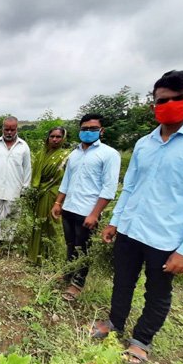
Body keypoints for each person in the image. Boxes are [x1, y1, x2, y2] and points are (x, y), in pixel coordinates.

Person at [93, 70, 183, 364]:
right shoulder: (145, 143)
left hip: (167, 236)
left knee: (157, 291)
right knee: (122, 281)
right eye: (160, 100)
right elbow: (129, 187)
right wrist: (115, 221)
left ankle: (141, 340)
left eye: (176, 99)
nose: (167, 104)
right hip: (131, 229)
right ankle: (115, 322)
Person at [51, 114, 120, 301]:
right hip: (69, 208)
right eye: (84, 129)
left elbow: (109, 188)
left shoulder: (109, 154)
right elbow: (66, 181)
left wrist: (95, 214)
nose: (88, 132)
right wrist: (58, 203)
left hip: (87, 212)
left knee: (84, 249)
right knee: (71, 245)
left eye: (92, 129)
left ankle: (77, 284)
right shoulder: (75, 154)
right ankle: (67, 273)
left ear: (101, 131)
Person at [0, 116, 32, 245]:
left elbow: (27, 169)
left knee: (12, 214)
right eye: (6, 129)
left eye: (12, 130)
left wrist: (25, 188)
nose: (9, 132)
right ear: (2, 129)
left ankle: (7, 241)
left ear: (17, 129)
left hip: (14, 188)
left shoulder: (23, 146)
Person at [27, 127, 70, 264]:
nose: (55, 139)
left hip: (54, 194)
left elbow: (67, 179)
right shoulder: (41, 154)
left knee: (52, 225)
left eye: (58, 137)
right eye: (52, 136)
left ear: (63, 139)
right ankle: (36, 256)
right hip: (40, 193)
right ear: (48, 137)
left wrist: (59, 201)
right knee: (38, 223)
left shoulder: (66, 156)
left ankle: (52, 259)